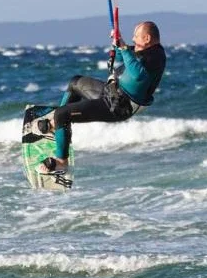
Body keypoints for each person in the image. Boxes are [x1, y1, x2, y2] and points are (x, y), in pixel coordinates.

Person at [37, 20, 167, 174]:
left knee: (62, 114)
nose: (133, 39)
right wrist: (117, 42)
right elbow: (121, 55)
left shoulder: (155, 58)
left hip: (118, 106)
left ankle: (61, 163)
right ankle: (57, 126)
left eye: (136, 36)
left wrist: (124, 48)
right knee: (75, 83)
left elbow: (138, 75)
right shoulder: (144, 50)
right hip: (110, 93)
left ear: (147, 39)